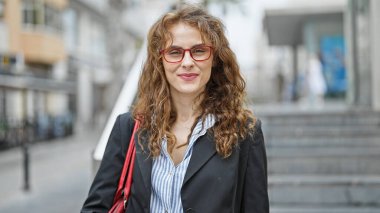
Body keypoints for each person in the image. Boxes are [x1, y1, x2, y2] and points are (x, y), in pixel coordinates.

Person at [81, 4, 269, 213]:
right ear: (160, 61)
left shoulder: (244, 132)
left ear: (215, 58)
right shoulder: (129, 127)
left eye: (199, 51)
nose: (187, 62)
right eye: (174, 52)